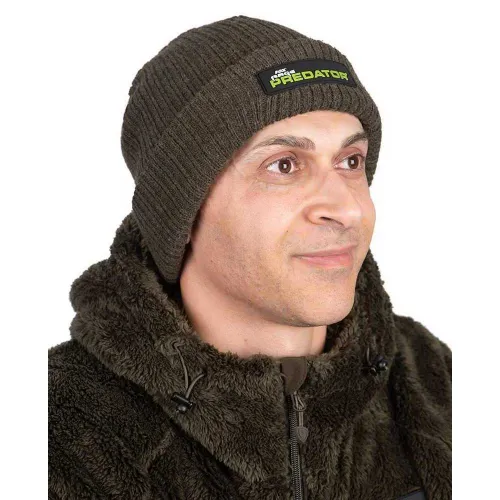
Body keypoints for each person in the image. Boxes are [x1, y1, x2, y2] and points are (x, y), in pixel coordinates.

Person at [48, 15, 451, 500]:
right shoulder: (61, 429)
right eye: (284, 165)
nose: (346, 208)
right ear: (182, 212)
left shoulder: (434, 379)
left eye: (350, 162)